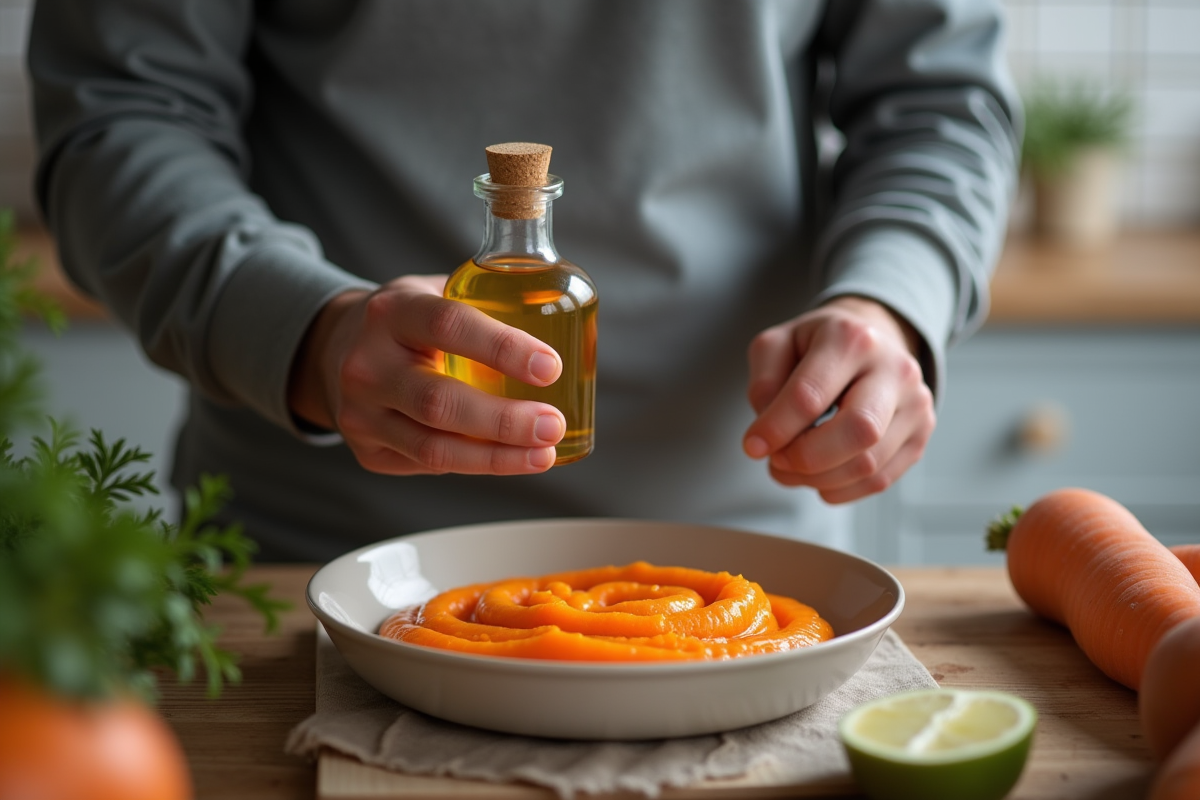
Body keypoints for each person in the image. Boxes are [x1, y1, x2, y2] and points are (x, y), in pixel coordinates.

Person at [26, 1, 1020, 562]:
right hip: (318, 559)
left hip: (740, 543)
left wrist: (889, 301)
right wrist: (312, 331)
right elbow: (121, 110)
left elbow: (938, 95)